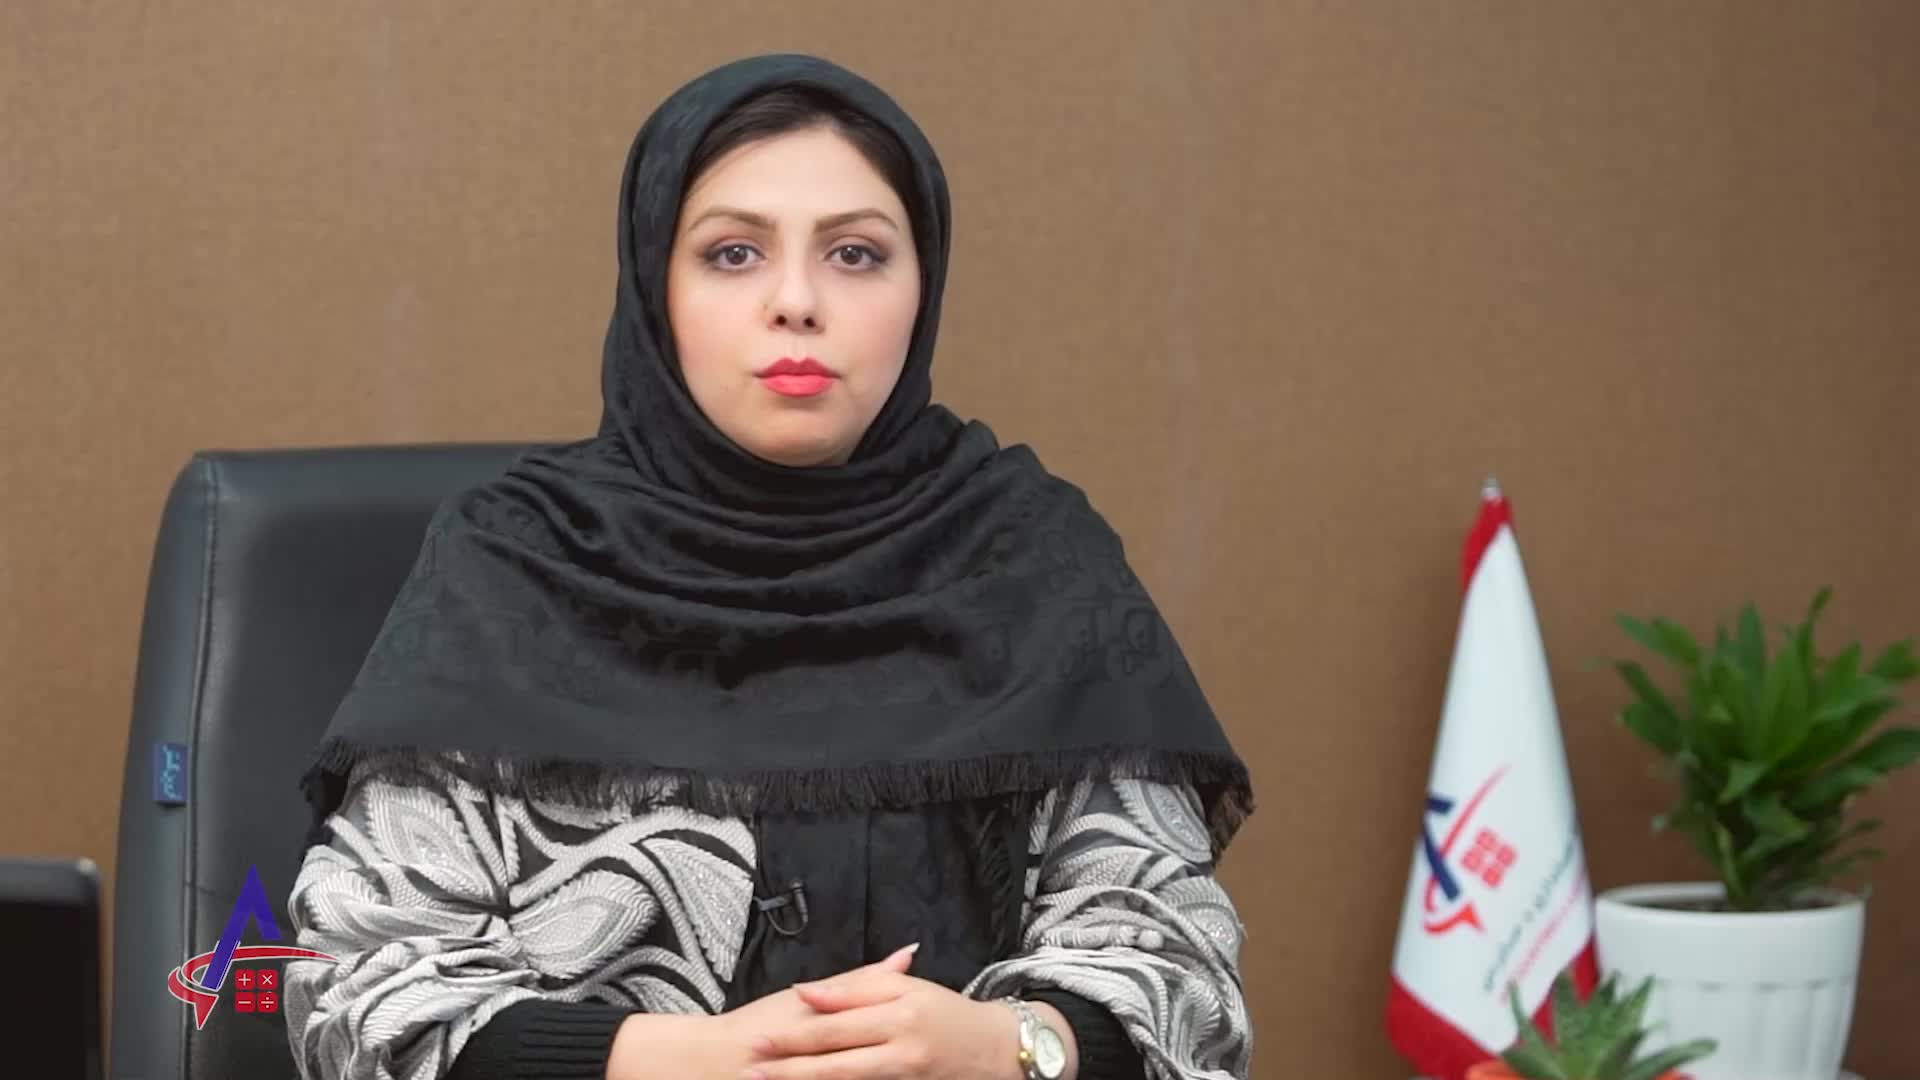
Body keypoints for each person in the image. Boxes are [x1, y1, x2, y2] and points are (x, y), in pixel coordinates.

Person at [284, 53, 1255, 1080]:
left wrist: (1006, 1045)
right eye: (734, 253)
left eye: (856, 255)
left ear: (923, 288)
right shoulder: (510, 559)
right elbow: (361, 985)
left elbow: (1182, 977)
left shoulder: (1034, 554)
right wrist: (677, 1061)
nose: (796, 301)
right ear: (655, 283)